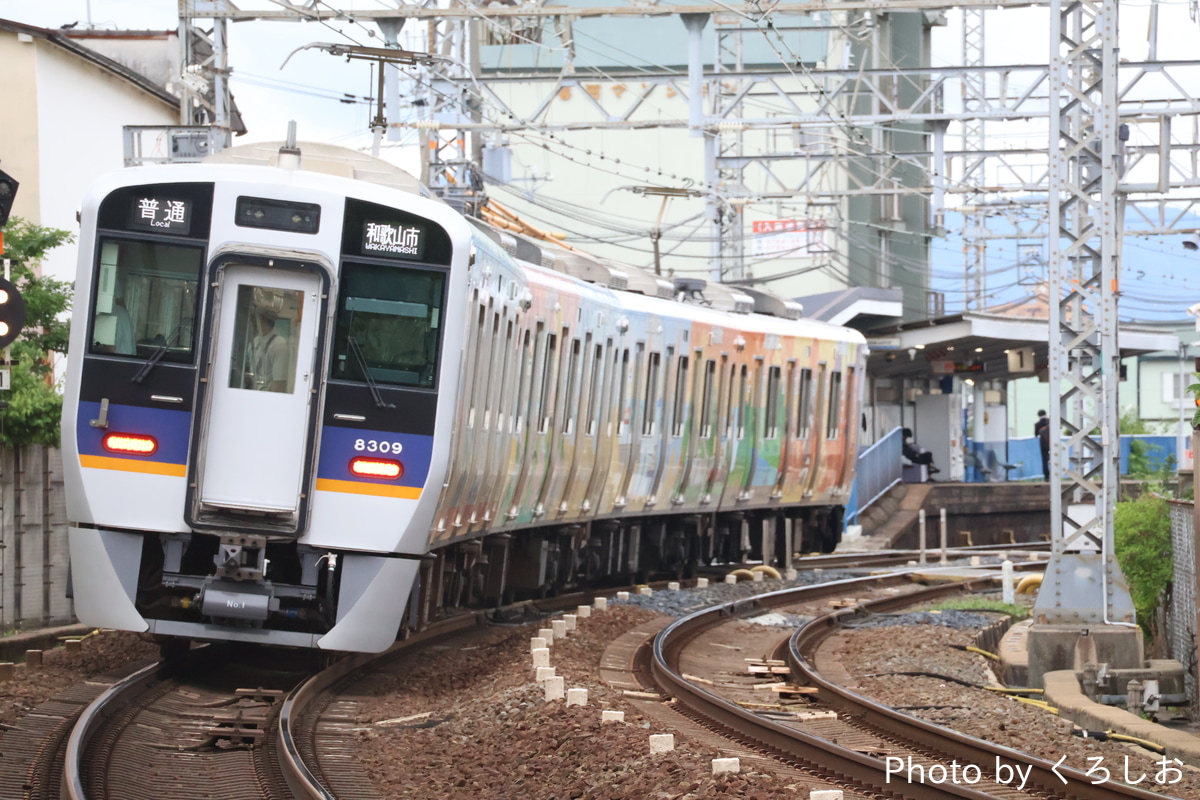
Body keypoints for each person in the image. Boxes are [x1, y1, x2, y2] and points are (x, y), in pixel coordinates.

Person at [249, 309, 289, 392]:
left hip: (265, 395)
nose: (252, 322)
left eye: (255, 319)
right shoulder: (255, 341)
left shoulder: (279, 345)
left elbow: (279, 383)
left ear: (263, 321)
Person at [1035, 410, 1051, 479]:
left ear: (1038, 415)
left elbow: (1036, 434)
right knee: (1054, 457)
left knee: (1044, 459)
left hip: (1043, 443)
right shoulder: (1050, 422)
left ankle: (1046, 476)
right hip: (1052, 442)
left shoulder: (1037, 424)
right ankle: (1055, 473)